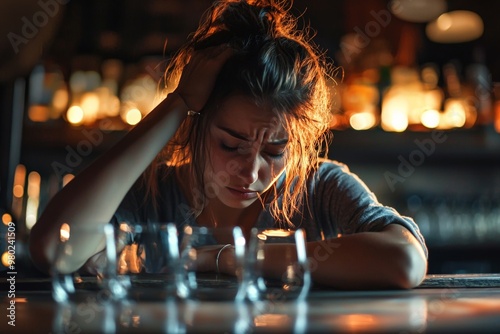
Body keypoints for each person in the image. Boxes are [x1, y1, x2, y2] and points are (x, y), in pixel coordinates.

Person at [29, 0, 427, 290]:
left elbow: (405, 260)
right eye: (231, 145)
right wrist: (179, 102)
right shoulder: (154, 192)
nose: (252, 171)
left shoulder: (318, 187)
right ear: (197, 126)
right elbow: (53, 249)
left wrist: (222, 258)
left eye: (274, 152)